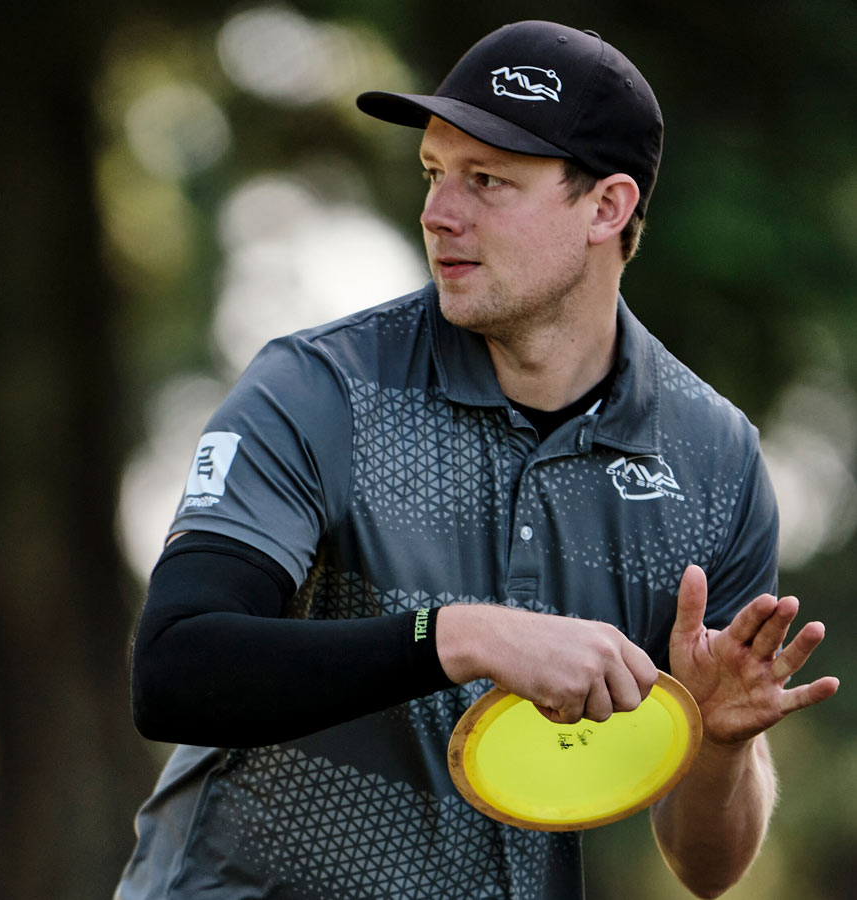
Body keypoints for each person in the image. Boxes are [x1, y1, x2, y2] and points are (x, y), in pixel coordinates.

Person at [115, 20, 839, 900]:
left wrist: (720, 747)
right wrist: (461, 635)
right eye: (433, 173)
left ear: (607, 207)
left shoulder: (716, 460)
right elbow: (176, 671)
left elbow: (706, 868)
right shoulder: (317, 389)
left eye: (487, 180)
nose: (437, 212)